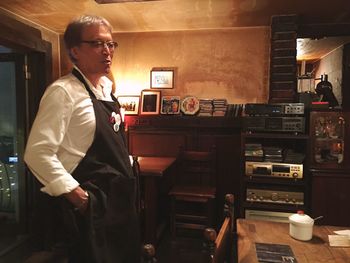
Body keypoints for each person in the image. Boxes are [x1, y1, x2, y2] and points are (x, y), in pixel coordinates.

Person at [24, 15, 140, 263]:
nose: (107, 51)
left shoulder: (106, 89)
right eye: (97, 43)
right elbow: (37, 153)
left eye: (111, 44)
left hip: (117, 204)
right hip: (88, 209)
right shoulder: (63, 92)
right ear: (74, 51)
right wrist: (81, 199)